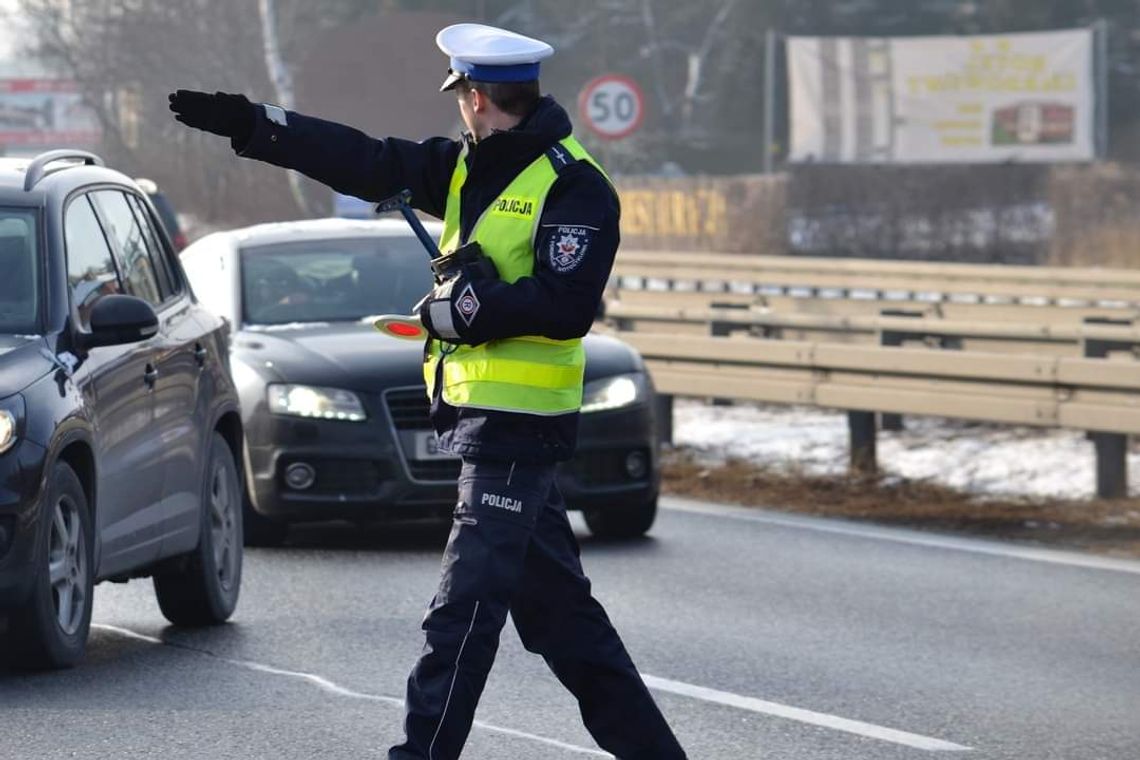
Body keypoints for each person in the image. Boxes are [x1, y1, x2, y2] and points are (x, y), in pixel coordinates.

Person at [168, 22, 688, 760]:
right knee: (564, 624)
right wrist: (257, 125)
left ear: (476, 97)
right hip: (483, 423)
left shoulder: (574, 184)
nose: (459, 110)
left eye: (461, 96)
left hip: (518, 428)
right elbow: (368, 160)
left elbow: (568, 304)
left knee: (461, 615)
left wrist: (474, 310)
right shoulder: (470, 169)